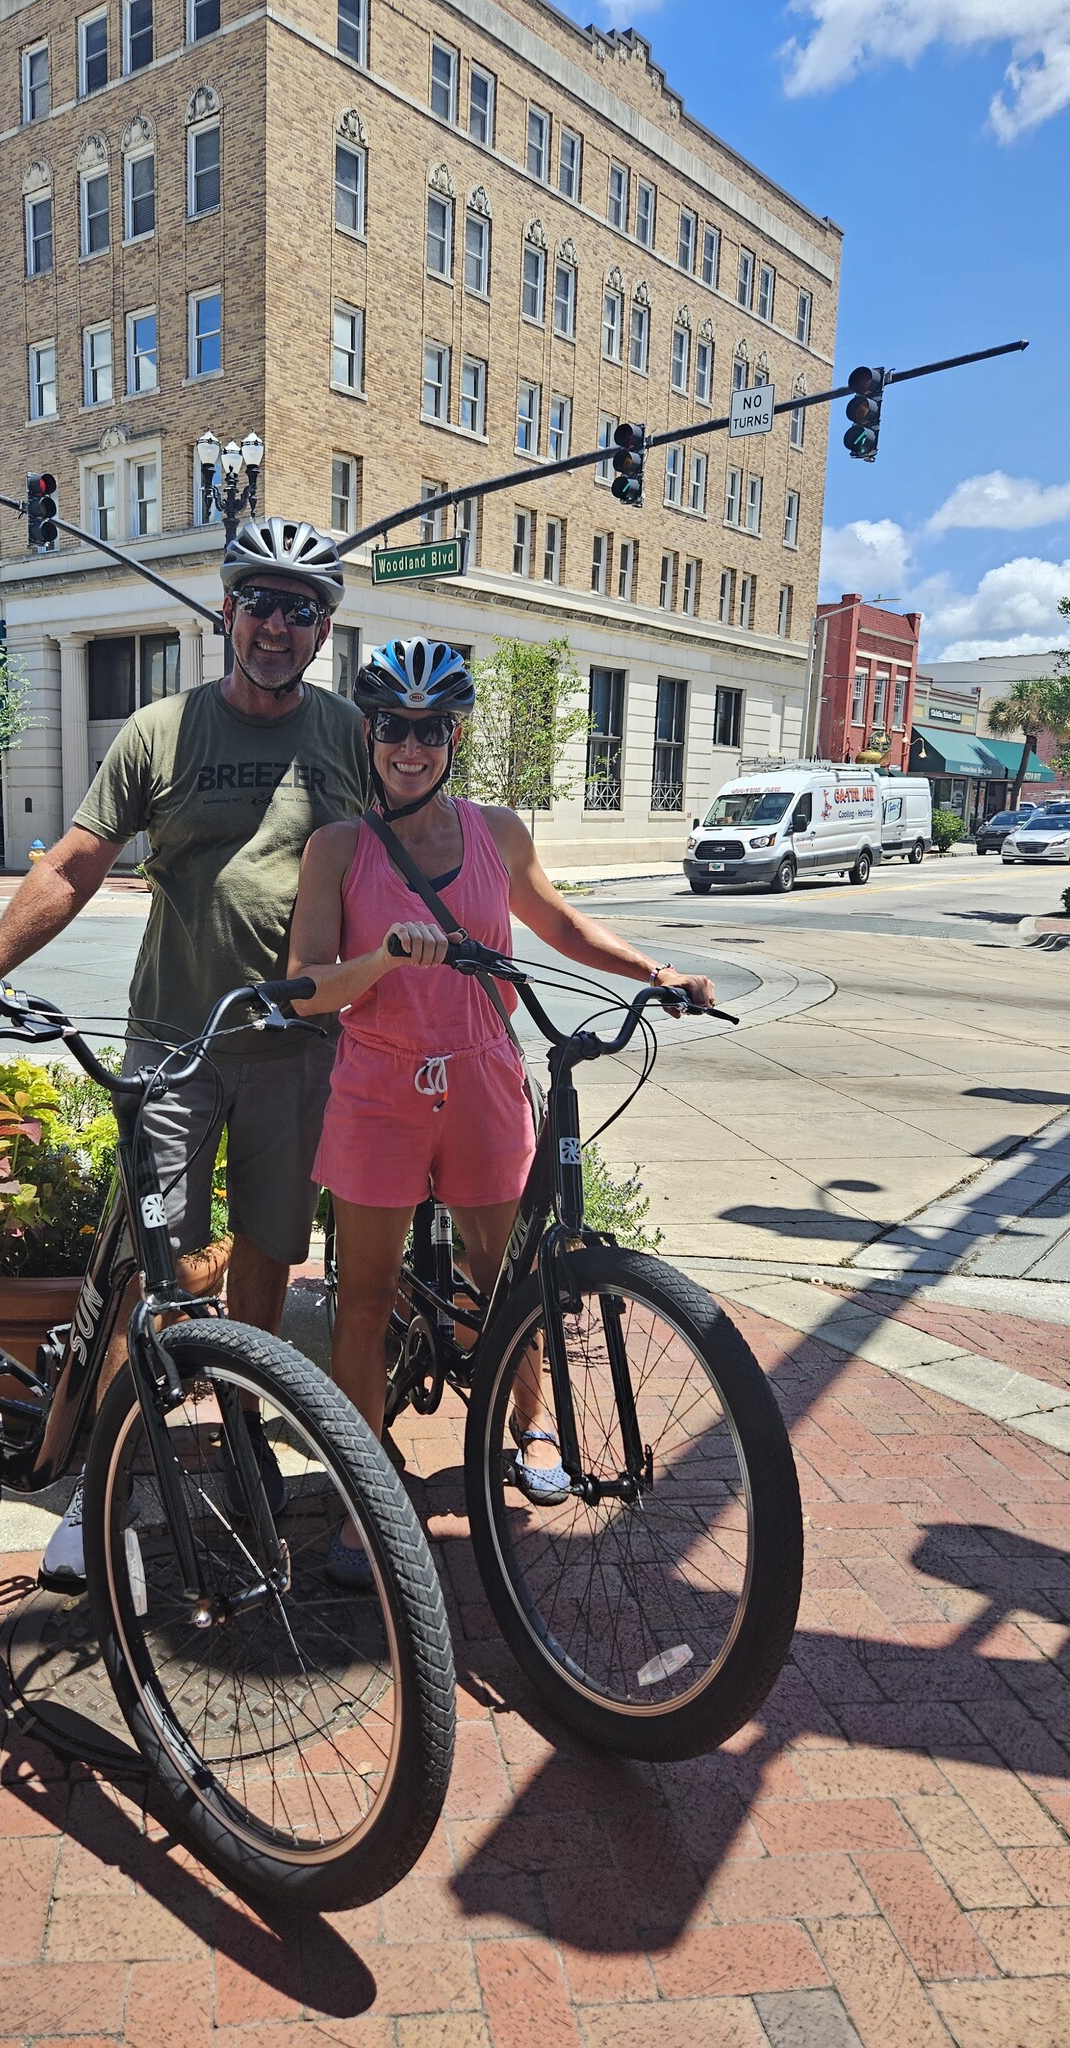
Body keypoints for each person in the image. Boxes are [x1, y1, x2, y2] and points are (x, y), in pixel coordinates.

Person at [0, 517, 368, 1589]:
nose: (279, 624)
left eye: (302, 608)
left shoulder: (347, 736)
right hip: (175, 1043)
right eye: (261, 602)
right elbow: (73, 865)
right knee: (155, 1268)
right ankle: (103, 1490)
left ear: (324, 629)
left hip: (299, 1052)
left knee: (270, 1254)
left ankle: (238, 1428)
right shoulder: (160, 731)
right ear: (227, 610)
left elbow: (398, 860)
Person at [287, 638, 715, 1581]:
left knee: (512, 1278)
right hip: (379, 1084)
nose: (412, 746)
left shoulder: (499, 833)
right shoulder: (337, 849)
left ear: (453, 736)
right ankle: (367, 1484)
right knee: (362, 1299)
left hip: (482, 1073)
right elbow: (309, 988)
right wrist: (387, 959)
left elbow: (558, 924)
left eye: (430, 729)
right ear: (371, 736)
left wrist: (657, 971)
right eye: (395, 728)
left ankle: (534, 1425)